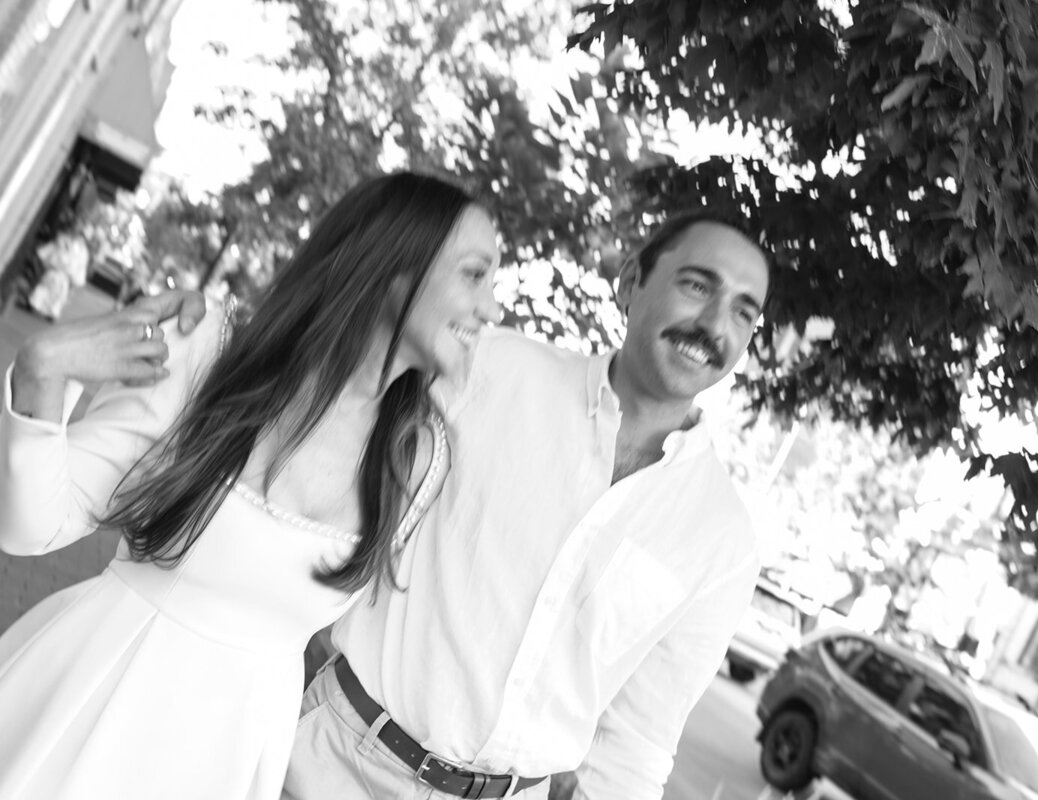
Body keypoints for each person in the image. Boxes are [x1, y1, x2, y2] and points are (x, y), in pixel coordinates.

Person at [0, 171, 502, 800]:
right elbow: (29, 526)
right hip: (88, 712)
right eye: (474, 274)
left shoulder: (416, 461)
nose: (492, 308)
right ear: (397, 261)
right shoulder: (209, 347)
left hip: (225, 764)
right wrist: (43, 370)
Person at [283, 211, 773, 800]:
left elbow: (639, 740)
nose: (715, 324)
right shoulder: (486, 369)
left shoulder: (723, 538)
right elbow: (317, 396)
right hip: (335, 767)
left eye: (744, 310)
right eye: (697, 285)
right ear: (631, 283)